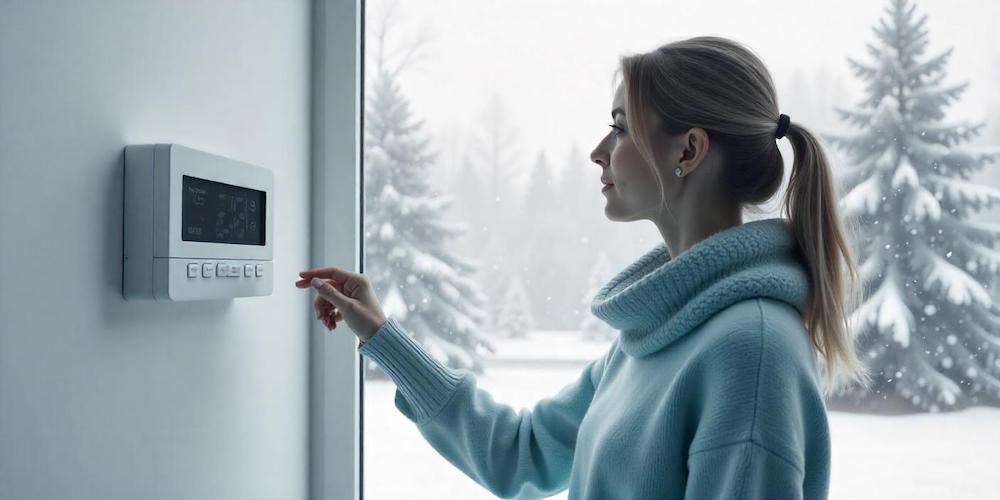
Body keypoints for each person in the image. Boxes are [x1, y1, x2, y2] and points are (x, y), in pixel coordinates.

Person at [295, 35, 873, 500]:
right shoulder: (656, 334)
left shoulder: (751, 353)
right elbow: (520, 455)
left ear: (688, 151)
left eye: (621, 125)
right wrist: (381, 334)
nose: (599, 149)